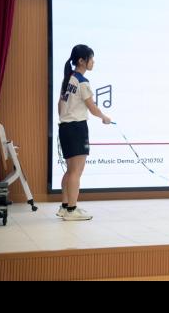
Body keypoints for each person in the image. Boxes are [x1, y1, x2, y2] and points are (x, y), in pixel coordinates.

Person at [57, 44, 111, 220]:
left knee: (70, 170)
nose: (93, 62)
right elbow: (92, 107)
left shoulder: (68, 79)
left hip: (65, 128)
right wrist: (104, 117)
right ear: (81, 61)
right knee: (76, 172)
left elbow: (59, 106)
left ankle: (65, 207)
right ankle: (71, 210)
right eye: (91, 58)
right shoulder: (82, 81)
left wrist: (66, 118)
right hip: (76, 128)